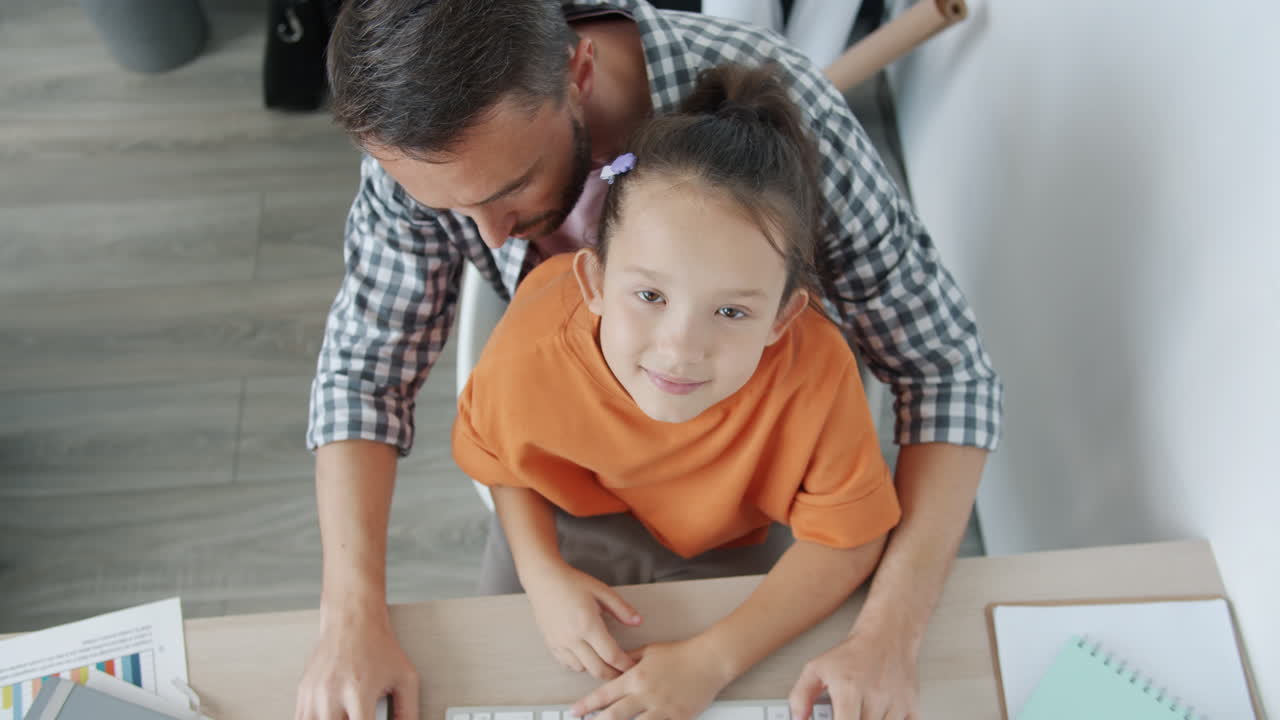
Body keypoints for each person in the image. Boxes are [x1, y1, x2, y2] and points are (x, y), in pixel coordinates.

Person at [298, 2, 1002, 719]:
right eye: (448, 210)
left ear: (578, 72)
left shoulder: (789, 116)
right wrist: (350, 613)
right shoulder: (427, 144)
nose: (489, 239)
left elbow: (945, 372)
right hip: (573, 486)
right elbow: (364, 372)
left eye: (510, 189)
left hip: (747, 504)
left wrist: (889, 634)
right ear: (595, 282)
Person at [454, 61, 902, 720]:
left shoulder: (814, 370)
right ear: (595, 282)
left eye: (732, 312)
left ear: (782, 318)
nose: (680, 349)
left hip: (737, 549)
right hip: (562, 531)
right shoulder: (536, 343)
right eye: (650, 295)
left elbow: (849, 539)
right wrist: (541, 573)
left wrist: (712, 660)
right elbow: (501, 462)